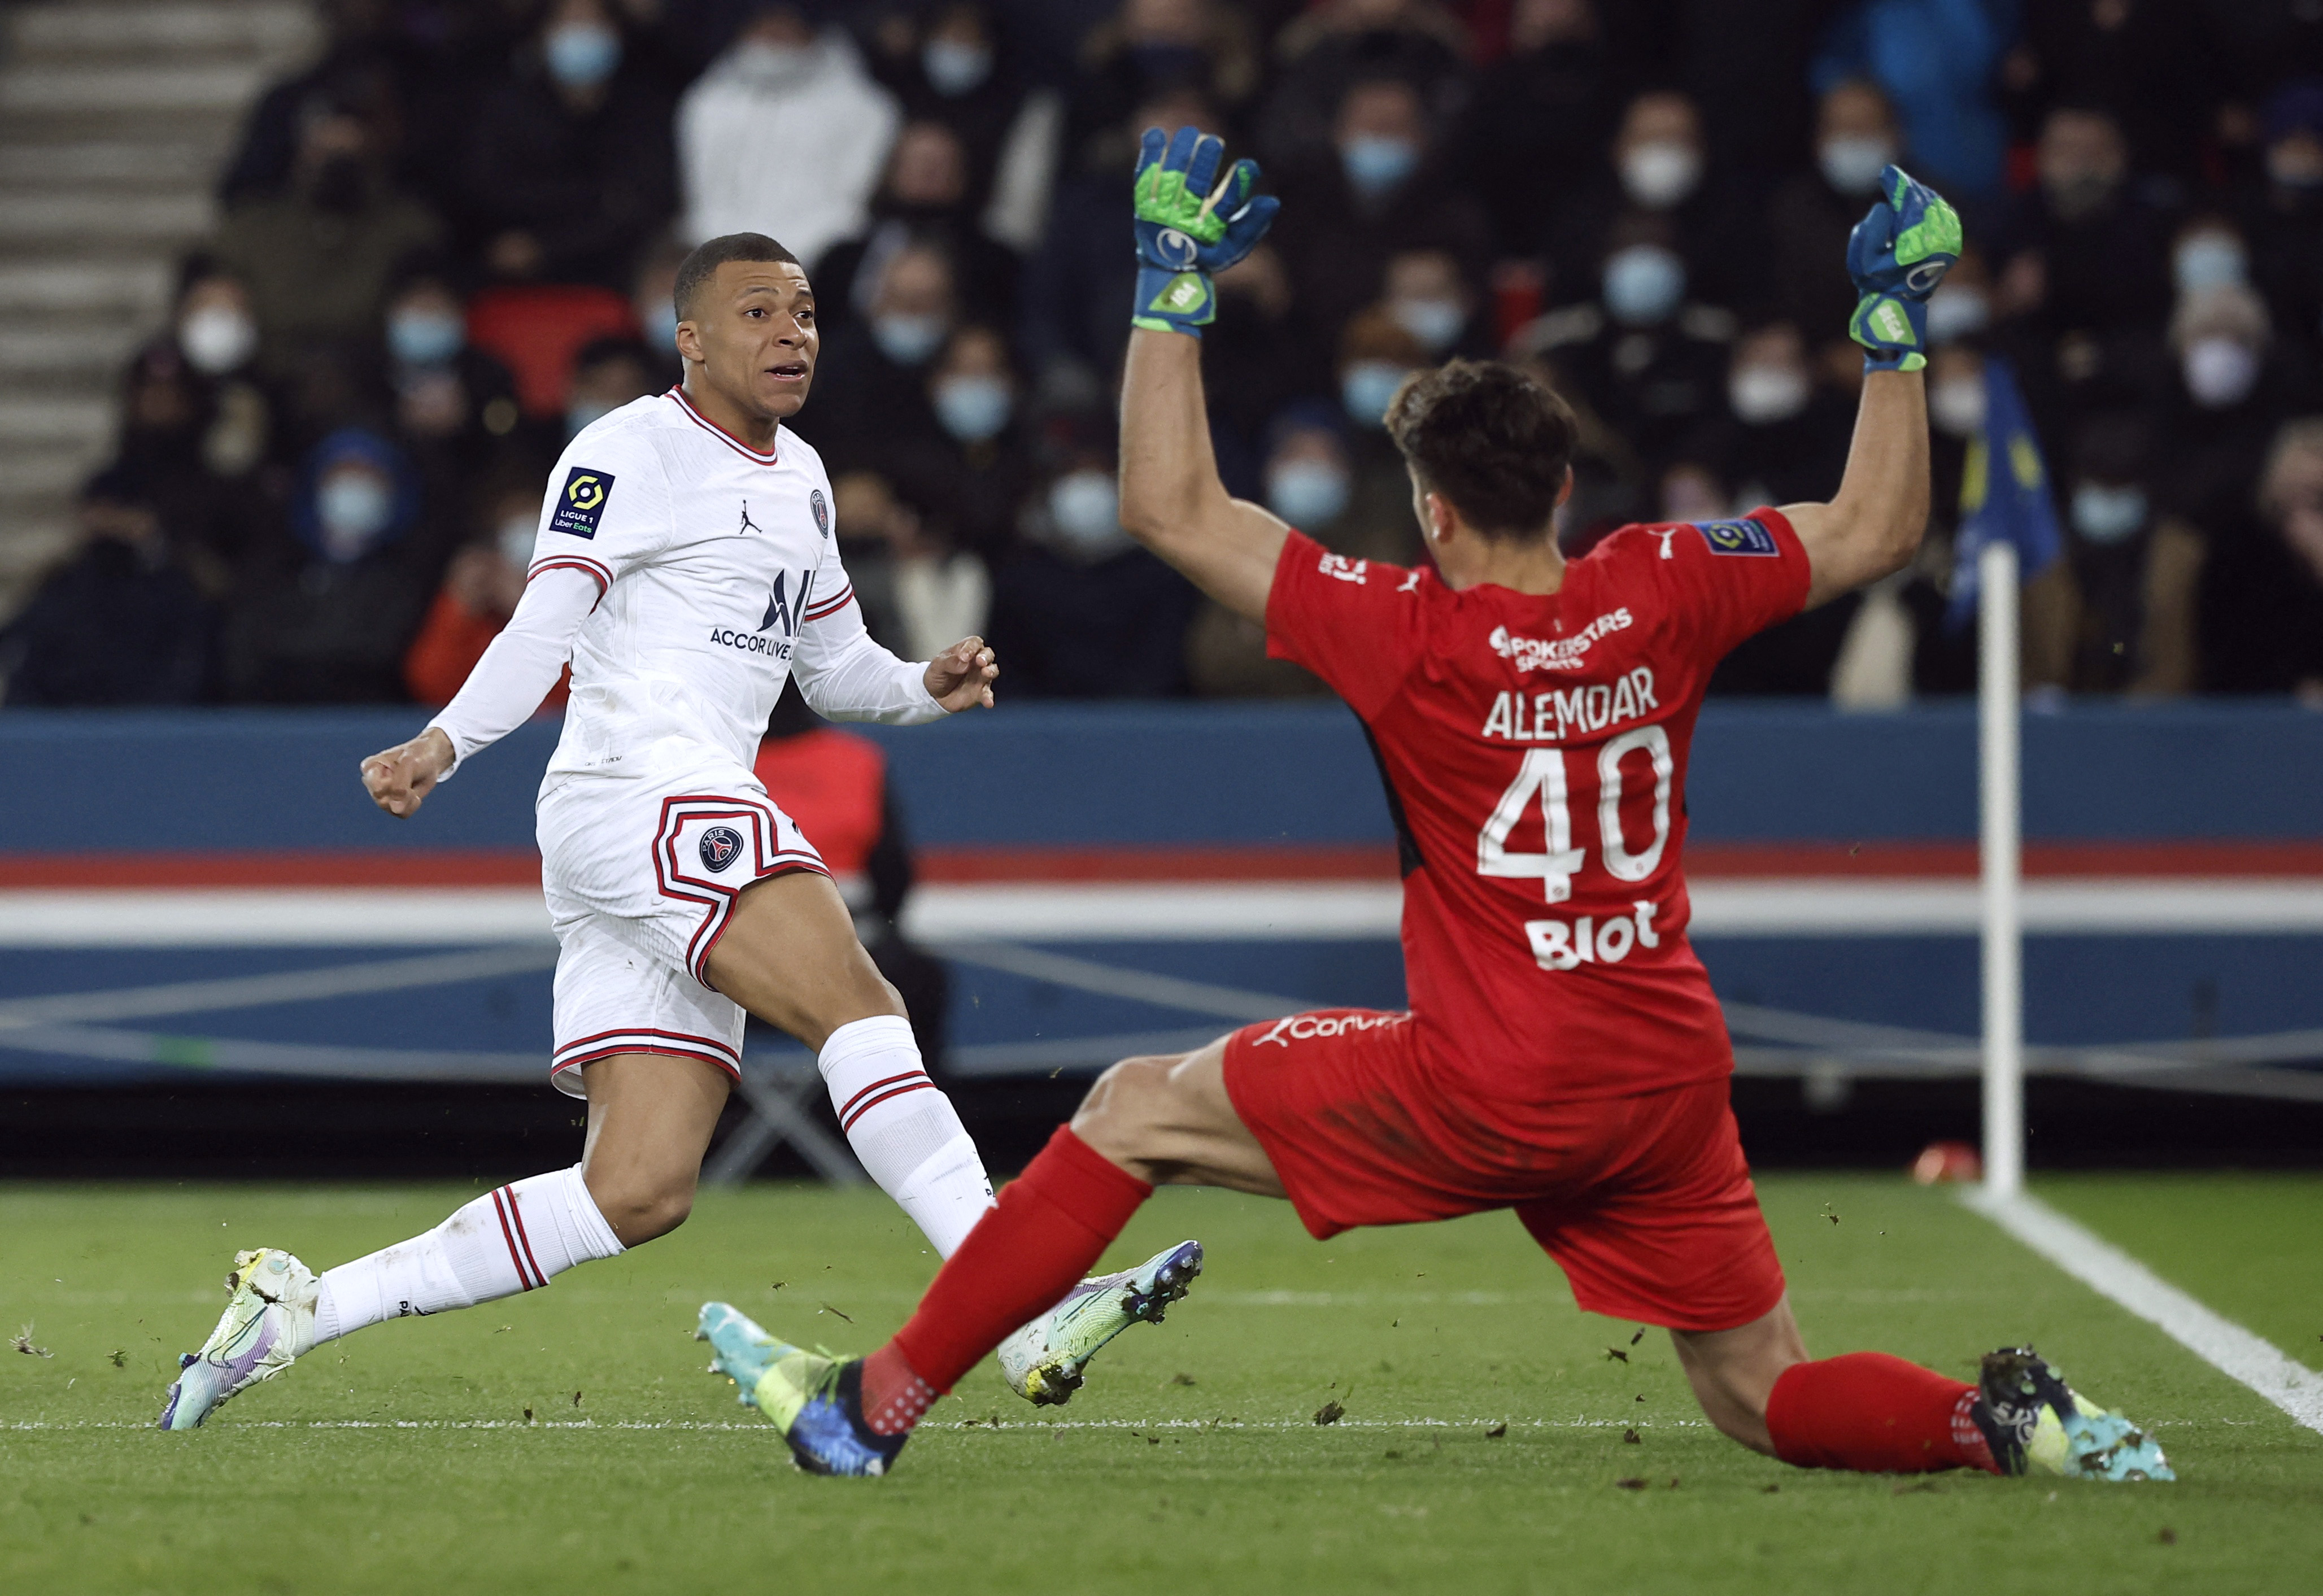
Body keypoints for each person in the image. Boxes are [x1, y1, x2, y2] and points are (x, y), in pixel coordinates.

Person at [708, 130, 2176, 1488]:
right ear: (1563, 491)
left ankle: (869, 1405)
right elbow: (1877, 526)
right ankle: (2005, 1425)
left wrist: (1171, 295)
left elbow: (1170, 509)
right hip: (1660, 1074)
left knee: (1131, 1109)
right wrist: (1895, 330)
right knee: (1756, 1392)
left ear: (1434, 513)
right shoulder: (1666, 582)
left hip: (1489, 1076)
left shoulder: (1402, 631)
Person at [158, 233, 1198, 1435]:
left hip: (633, 830)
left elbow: (835, 666)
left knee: (638, 1189)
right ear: (689, 338)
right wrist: (446, 742)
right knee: (859, 1009)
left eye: (804, 312)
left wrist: (925, 683)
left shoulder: (803, 476)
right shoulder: (623, 452)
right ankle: (1020, 1300)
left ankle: (298, 1309)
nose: (791, 333)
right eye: (757, 312)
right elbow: (544, 623)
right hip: (644, 790)